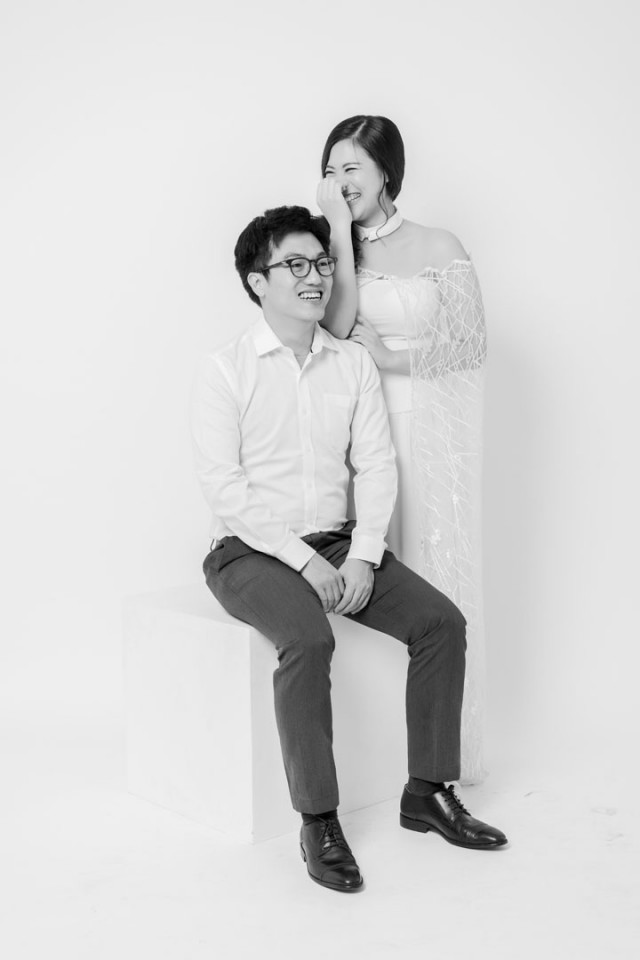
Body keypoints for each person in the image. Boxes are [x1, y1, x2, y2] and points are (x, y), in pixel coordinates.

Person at [191, 205, 506, 894]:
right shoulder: (226, 369)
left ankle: (427, 792)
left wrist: (362, 553)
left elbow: (377, 464)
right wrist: (303, 562)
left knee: (441, 622)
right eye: (295, 265)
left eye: (323, 262)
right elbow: (225, 488)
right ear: (257, 281)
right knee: (308, 640)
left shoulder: (352, 363)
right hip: (246, 550)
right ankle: (319, 822)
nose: (315, 277)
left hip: (337, 540)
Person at [317, 116, 488, 784]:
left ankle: (437, 759)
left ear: (386, 170)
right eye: (330, 170)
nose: (339, 181)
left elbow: (472, 343)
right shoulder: (329, 248)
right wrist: (338, 230)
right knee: (371, 565)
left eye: (352, 168)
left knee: (432, 563)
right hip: (357, 427)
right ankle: (376, 756)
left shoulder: (439, 243)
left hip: (427, 422)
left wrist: (391, 358)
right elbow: (335, 328)